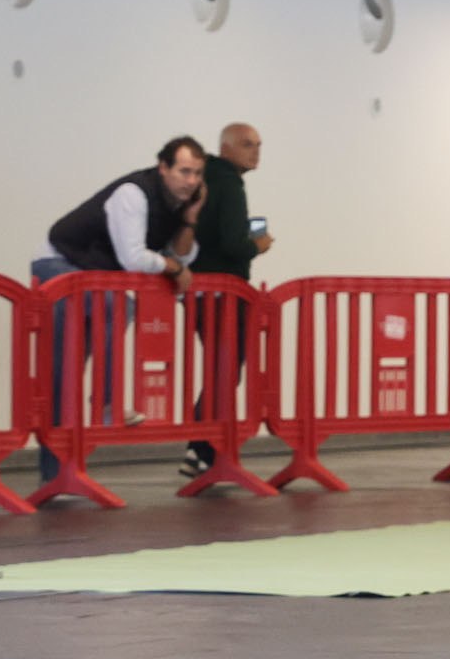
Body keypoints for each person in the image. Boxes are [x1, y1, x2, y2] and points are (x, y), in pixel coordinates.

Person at [32, 137, 207, 479]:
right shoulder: (133, 194)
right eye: (185, 171)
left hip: (89, 273)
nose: (191, 181)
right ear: (163, 168)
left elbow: (184, 255)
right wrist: (173, 268)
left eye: (198, 174)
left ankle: (58, 476)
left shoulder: (177, 206)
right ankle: (106, 404)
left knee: (67, 368)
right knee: (108, 314)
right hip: (57, 263)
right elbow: (134, 258)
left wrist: (190, 220)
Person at [182, 123, 275, 475]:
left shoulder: (201, 179)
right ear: (226, 148)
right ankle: (203, 448)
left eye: (259, 144)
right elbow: (234, 244)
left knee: (219, 369)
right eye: (248, 144)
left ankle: (203, 449)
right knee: (226, 371)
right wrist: (258, 245)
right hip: (225, 293)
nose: (256, 151)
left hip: (196, 290)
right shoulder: (230, 185)